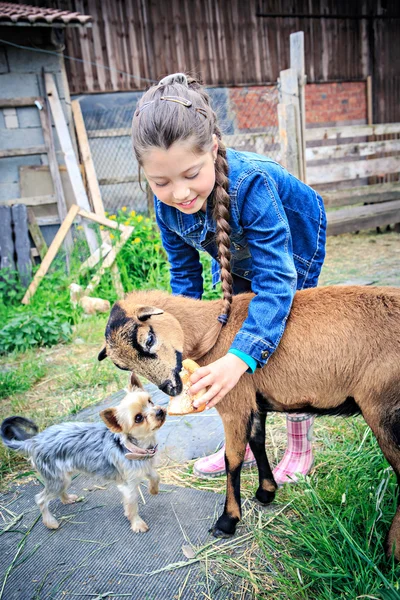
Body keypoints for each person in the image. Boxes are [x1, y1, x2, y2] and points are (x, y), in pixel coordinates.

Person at [131, 73, 326, 484]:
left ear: (213, 148)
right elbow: (184, 280)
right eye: (161, 182)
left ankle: (297, 445)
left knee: (280, 342)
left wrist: (238, 359)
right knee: (228, 345)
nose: (180, 193)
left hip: (292, 249)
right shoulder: (167, 208)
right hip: (235, 258)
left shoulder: (249, 184)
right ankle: (240, 442)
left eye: (190, 174)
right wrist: (179, 345)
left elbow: (276, 281)